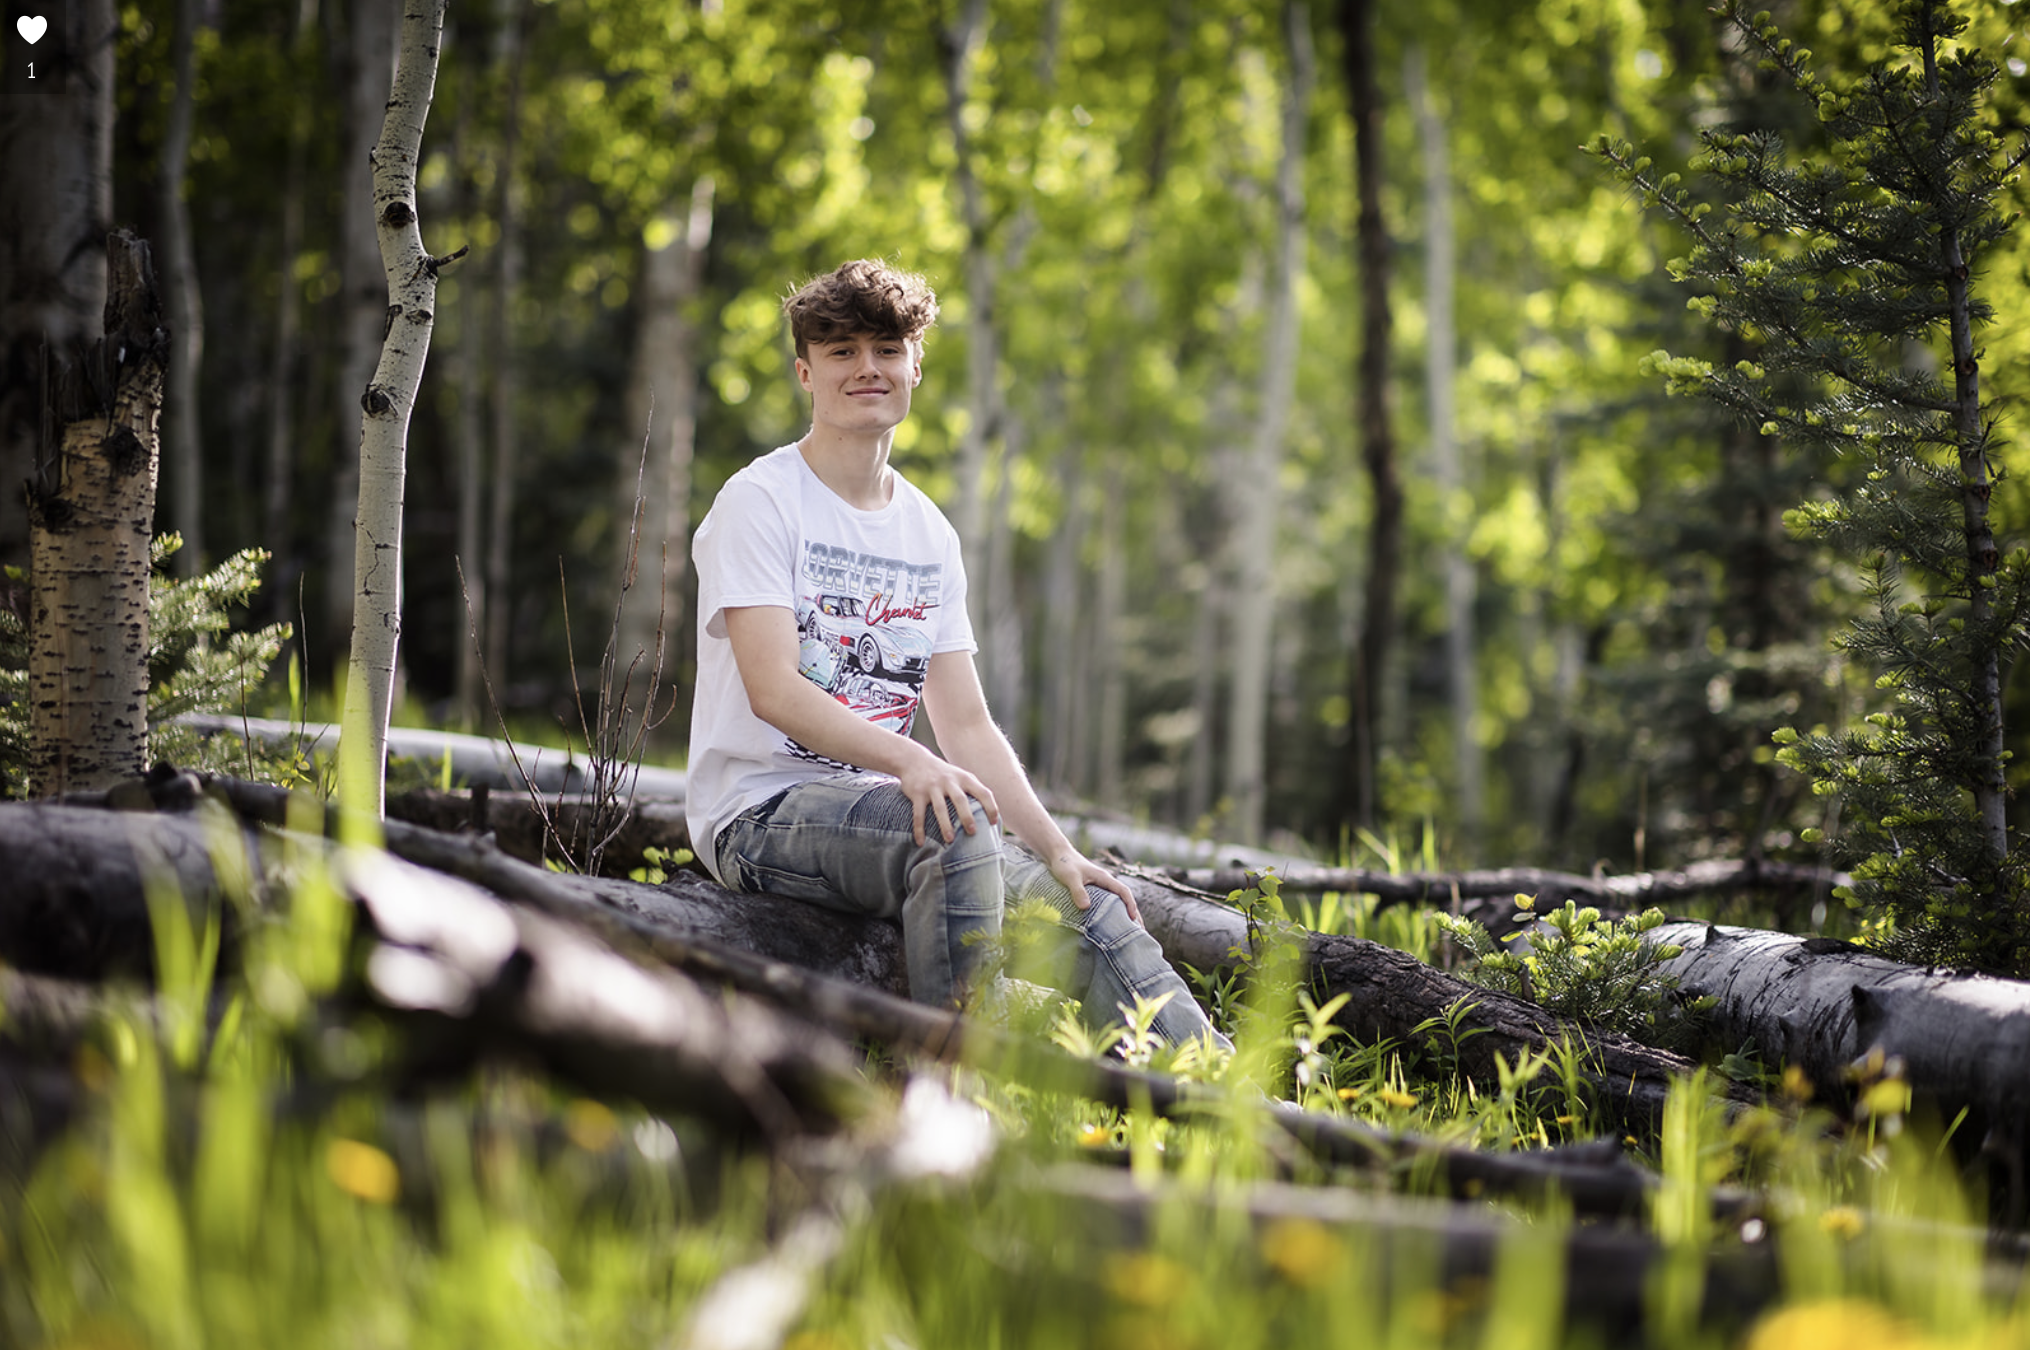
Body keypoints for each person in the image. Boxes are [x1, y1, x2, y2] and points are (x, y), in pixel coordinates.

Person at [686, 258, 1225, 1052]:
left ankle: (1233, 1108)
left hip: (890, 814)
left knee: (1087, 905)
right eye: (841, 352)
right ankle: (951, 1100)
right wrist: (912, 763)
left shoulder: (928, 532)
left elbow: (967, 725)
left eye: (887, 349)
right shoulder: (760, 501)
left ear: (914, 367)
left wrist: (1058, 849)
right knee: (958, 827)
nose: (867, 368)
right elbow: (775, 691)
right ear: (806, 372)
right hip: (759, 812)